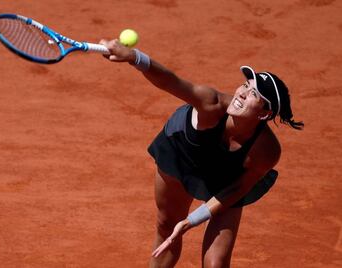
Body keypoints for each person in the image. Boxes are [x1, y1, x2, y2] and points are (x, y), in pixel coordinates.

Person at [99, 39, 304, 268]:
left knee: (216, 263)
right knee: (167, 227)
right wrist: (134, 57)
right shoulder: (211, 103)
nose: (243, 93)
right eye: (246, 85)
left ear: (265, 114)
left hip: (227, 177)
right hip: (183, 155)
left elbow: (236, 189)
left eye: (254, 93)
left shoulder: (266, 151)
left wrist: (191, 221)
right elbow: (171, 82)